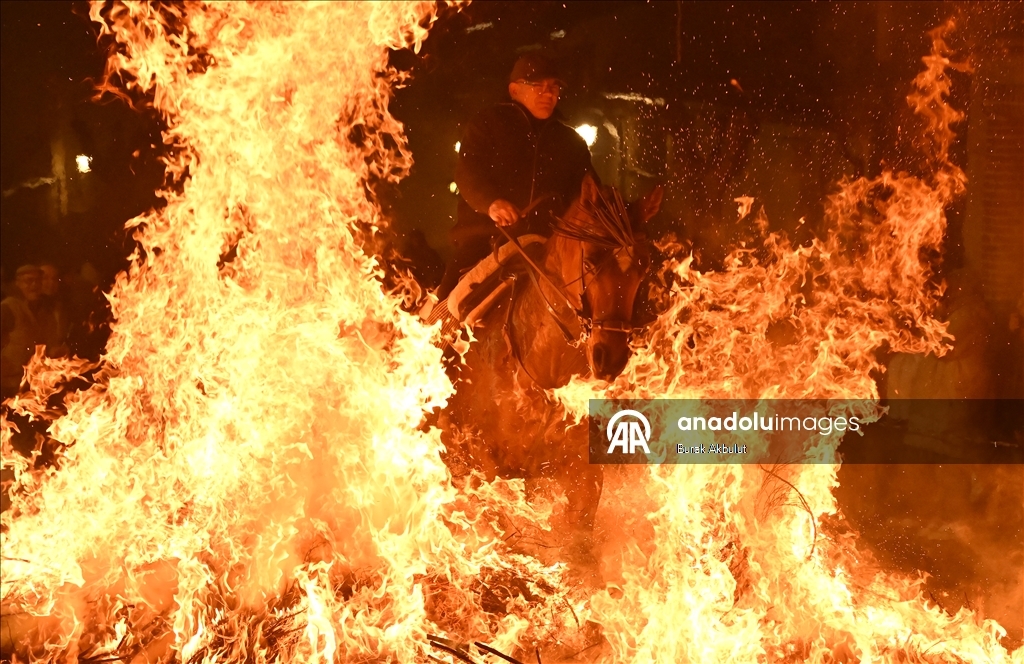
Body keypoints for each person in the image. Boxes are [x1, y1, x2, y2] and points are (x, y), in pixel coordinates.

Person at [437, 53, 597, 299]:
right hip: (485, 239)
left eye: (554, 86)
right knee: (448, 303)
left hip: (549, 246)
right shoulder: (487, 125)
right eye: (538, 86)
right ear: (514, 90)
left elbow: (590, 193)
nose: (548, 93)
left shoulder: (571, 143)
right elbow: (468, 172)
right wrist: (491, 203)